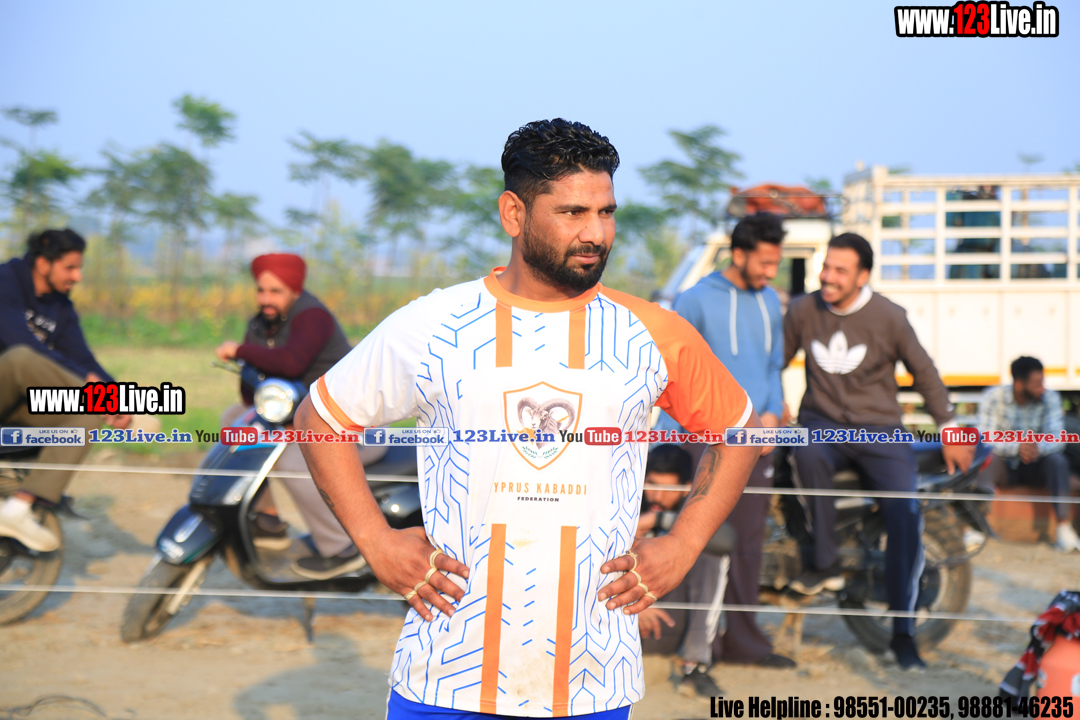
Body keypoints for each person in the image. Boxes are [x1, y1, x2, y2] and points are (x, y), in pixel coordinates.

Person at [294, 118, 762, 718]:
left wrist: (683, 544)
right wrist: (376, 541)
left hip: (593, 682)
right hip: (445, 678)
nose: (596, 233)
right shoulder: (434, 326)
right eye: (572, 213)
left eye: (606, 212)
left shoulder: (652, 333)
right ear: (513, 213)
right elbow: (319, 419)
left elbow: (739, 433)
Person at [783, 233, 975, 670]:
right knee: (803, 450)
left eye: (840, 271)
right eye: (826, 267)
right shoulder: (803, 310)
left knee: (904, 512)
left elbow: (924, 372)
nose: (828, 277)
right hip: (822, 426)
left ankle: (904, 634)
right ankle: (825, 564)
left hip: (881, 432)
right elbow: (773, 358)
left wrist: (950, 428)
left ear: (862, 276)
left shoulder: (889, 317)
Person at [654, 211, 796, 674]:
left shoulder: (770, 301)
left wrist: (771, 416)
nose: (771, 272)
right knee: (706, 539)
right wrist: (668, 448)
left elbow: (773, 367)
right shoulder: (694, 300)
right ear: (738, 254)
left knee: (750, 541)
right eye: (765, 262)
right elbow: (671, 374)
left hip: (758, 440)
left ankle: (744, 642)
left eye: (776, 263)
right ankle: (699, 645)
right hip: (704, 441)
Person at [215, 253, 366, 580]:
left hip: (346, 420)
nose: (265, 299)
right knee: (235, 419)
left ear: (295, 290)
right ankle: (268, 520)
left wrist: (240, 351)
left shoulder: (313, 317)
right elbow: (250, 392)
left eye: (276, 291)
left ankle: (343, 548)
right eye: (261, 290)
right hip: (302, 417)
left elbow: (291, 362)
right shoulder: (261, 323)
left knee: (291, 460)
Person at [0, 229, 131, 552]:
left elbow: (84, 360)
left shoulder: (61, 307)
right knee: (21, 358)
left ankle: (18, 509)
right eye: (70, 268)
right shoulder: (6, 281)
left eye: (79, 268)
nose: (78, 276)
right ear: (43, 263)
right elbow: (19, 342)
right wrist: (90, 387)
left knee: (88, 412)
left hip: (15, 407)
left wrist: (119, 398)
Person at [635, 444, 728, 697]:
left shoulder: (690, 509)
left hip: (667, 623)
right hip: (621, 618)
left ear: (687, 487)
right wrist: (634, 607)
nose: (657, 496)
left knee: (711, 554)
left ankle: (695, 666)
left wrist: (659, 520)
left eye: (668, 489)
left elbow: (727, 540)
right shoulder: (626, 503)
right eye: (652, 484)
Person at [977, 356, 1077, 552]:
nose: (1042, 389)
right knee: (985, 460)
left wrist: (1037, 448)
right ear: (1019, 384)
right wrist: (1017, 447)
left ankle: (1063, 528)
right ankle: (978, 526)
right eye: (1036, 384)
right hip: (1005, 465)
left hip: (1037, 465)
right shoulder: (993, 397)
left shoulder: (1050, 398)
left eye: (1042, 383)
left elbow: (1057, 437)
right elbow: (985, 438)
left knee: (1057, 461)